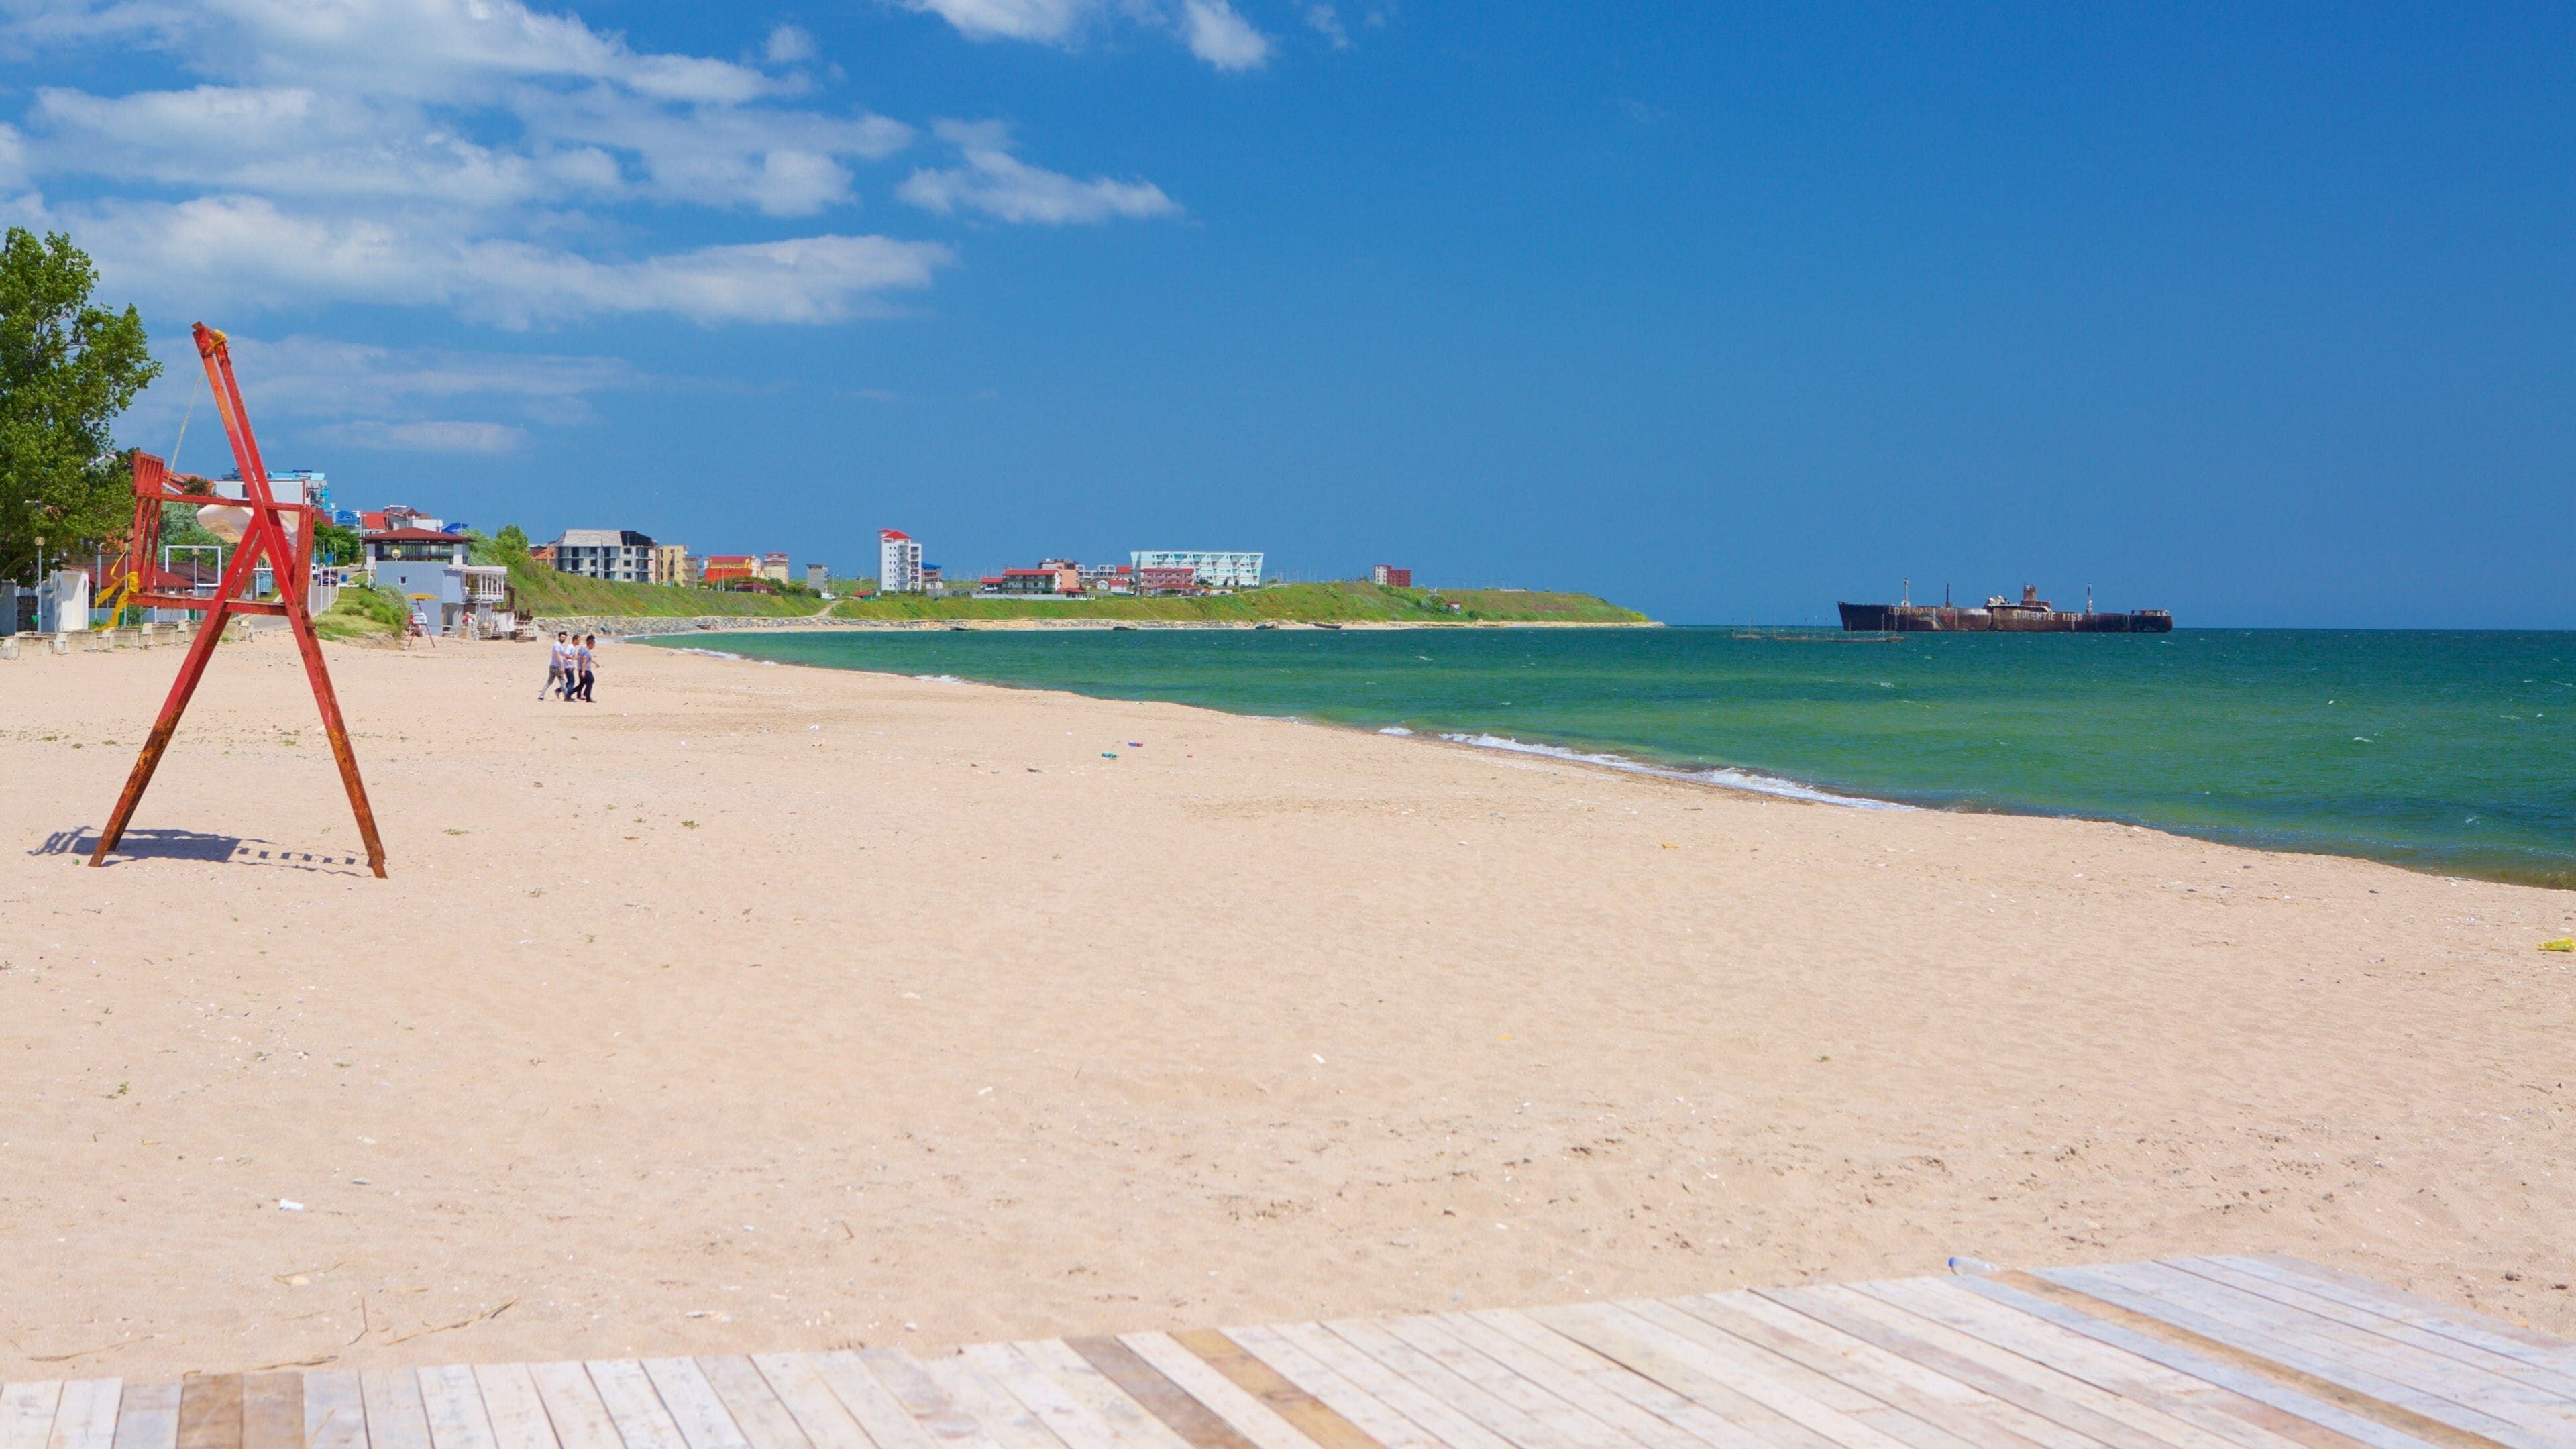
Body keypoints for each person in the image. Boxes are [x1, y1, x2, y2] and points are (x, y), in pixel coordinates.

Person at [542, 631, 569, 699]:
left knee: (549, 682)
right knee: (563, 682)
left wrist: (568, 664)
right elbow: (558, 656)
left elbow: (562, 657)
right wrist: (562, 667)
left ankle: (541, 696)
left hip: (553, 666)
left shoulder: (560, 645)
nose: (563, 639)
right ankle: (566, 697)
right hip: (556, 666)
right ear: (559, 637)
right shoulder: (557, 645)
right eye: (562, 637)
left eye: (565, 638)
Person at [574, 633, 597, 702]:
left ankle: (581, 695)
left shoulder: (583, 648)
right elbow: (584, 659)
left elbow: (586, 658)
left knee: (582, 683)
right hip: (583, 668)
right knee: (587, 682)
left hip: (581, 667)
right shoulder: (584, 648)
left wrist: (595, 662)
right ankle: (583, 695)